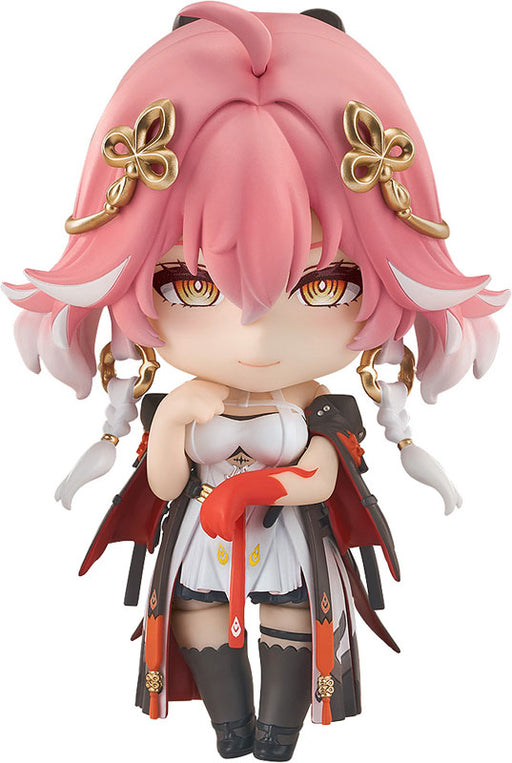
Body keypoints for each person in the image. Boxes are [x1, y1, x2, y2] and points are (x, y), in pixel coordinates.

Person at [2, 3, 508, 761]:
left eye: (324, 285)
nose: (256, 333)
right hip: (201, 544)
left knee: (293, 621)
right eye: (190, 284)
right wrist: (173, 421)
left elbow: (321, 474)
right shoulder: (182, 402)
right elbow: (165, 480)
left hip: (285, 540)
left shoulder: (319, 406)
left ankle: (278, 729)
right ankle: (228, 723)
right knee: (196, 614)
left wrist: (253, 490)